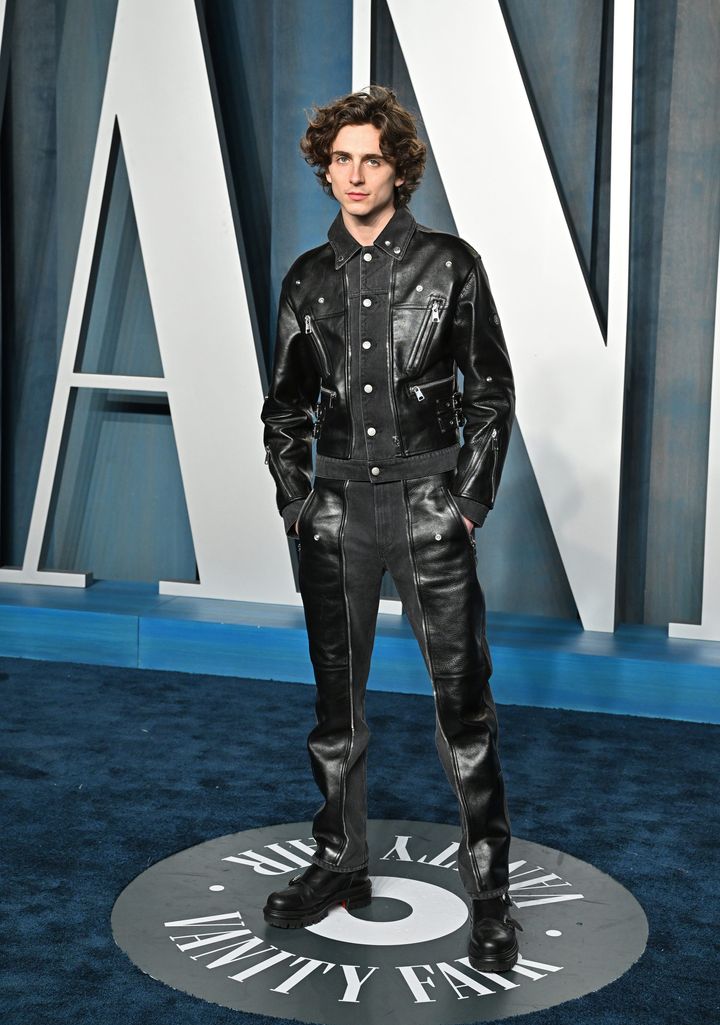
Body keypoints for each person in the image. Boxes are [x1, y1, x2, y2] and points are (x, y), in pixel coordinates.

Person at [260, 85, 521, 972]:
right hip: (336, 517)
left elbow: (490, 393)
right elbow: (284, 412)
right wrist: (300, 506)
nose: (355, 174)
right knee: (336, 711)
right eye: (341, 159)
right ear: (325, 168)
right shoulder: (307, 279)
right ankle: (341, 861)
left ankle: (491, 891)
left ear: (398, 170)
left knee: (464, 708)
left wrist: (468, 503)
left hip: (428, 509)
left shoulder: (451, 266)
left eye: (372, 158)